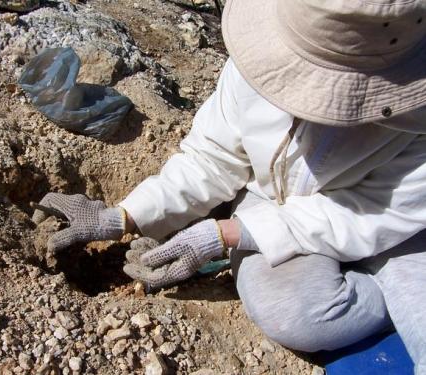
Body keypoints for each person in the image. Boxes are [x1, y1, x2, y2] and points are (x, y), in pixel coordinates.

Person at [32, 0, 426, 372]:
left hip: (397, 226)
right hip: (269, 203)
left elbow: (375, 213)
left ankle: (390, 289)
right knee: (297, 315)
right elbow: (212, 158)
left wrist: (228, 233)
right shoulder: (263, 58)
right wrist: (126, 215)